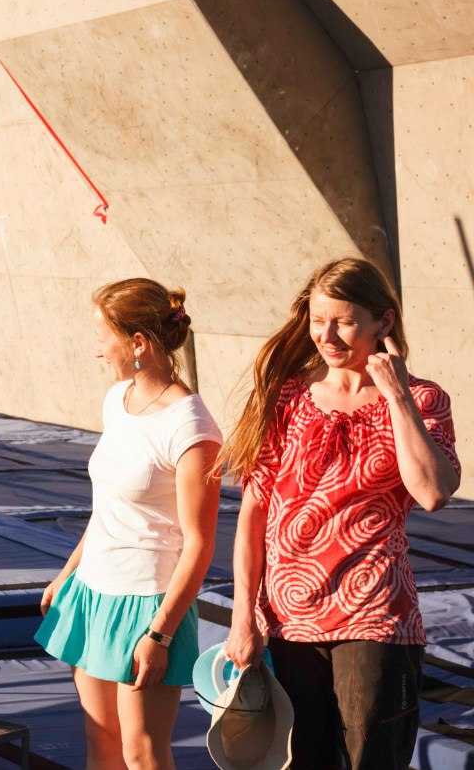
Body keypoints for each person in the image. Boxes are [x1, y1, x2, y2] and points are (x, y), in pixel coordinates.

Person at [223, 258, 461, 770]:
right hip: (288, 618)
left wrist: (396, 393)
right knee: (301, 761)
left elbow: (433, 491)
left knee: (370, 761)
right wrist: (244, 613)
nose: (326, 336)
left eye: (344, 321)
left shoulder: (423, 398)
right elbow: (254, 513)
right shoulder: (284, 397)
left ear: (385, 323)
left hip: (375, 612)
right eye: (316, 320)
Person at [34, 278, 222, 769]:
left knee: (142, 755)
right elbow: (109, 508)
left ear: (138, 343)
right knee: (101, 743)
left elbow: (200, 545)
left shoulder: (191, 428)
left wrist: (159, 634)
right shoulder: (117, 400)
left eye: (103, 338)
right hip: (93, 591)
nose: (97, 351)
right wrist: (68, 573)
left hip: (147, 604)